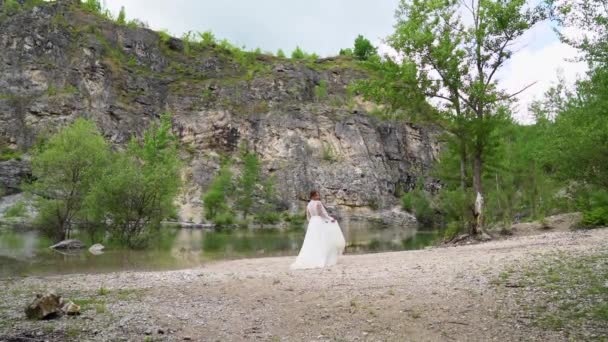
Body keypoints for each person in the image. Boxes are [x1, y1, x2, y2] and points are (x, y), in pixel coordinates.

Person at [290, 190, 346, 269]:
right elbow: (323, 213)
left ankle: (313, 257)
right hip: (319, 221)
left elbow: (308, 216)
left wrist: (312, 222)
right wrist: (330, 219)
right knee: (322, 240)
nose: (318, 196)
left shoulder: (308, 204)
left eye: (318, 195)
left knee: (312, 241)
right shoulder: (318, 203)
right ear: (313, 196)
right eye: (316, 195)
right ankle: (323, 258)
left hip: (312, 223)